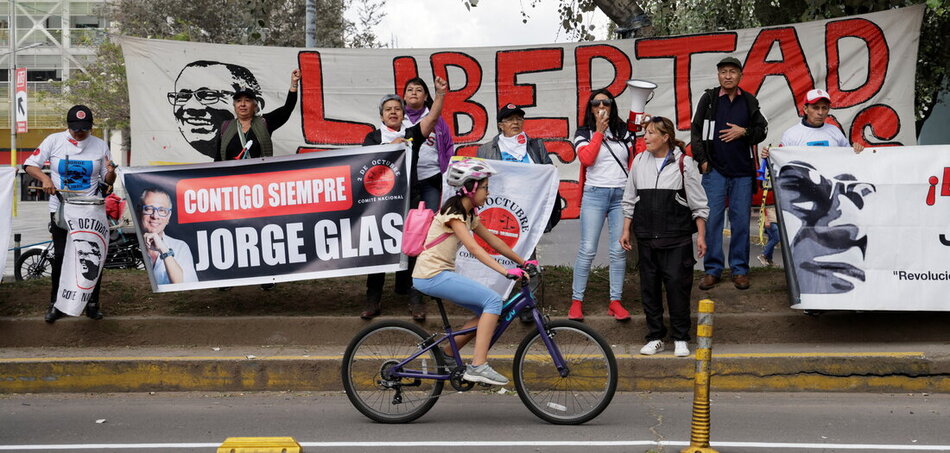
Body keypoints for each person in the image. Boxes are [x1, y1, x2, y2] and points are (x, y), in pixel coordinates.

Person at [411, 159, 534, 386]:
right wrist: (506, 272)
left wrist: (523, 261)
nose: (488, 193)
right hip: (431, 275)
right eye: (485, 187)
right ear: (471, 188)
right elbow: (474, 248)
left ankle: (448, 353)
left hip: (440, 274)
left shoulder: (469, 214)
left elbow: (493, 241)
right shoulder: (453, 212)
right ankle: (478, 365)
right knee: (493, 301)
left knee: (489, 314)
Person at [620, 116, 708, 357]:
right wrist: (626, 229)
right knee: (649, 289)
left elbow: (698, 203)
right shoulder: (639, 161)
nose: (645, 137)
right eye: (645, 133)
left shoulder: (684, 163)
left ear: (665, 137)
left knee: (678, 288)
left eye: (650, 133)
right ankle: (655, 336)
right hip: (646, 238)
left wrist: (701, 236)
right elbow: (630, 198)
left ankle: (680, 337)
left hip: (676, 238)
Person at [362, 77, 449, 320]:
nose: (393, 112)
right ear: (381, 116)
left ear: (403, 114)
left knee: (414, 249)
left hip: (410, 201)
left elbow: (432, 119)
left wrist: (440, 95)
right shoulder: (372, 137)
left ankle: (416, 299)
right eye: (388, 109)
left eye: (397, 109)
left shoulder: (412, 134)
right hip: (379, 206)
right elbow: (364, 164)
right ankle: (373, 299)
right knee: (379, 251)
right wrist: (391, 148)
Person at [23, 105, 116, 323]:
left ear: (90, 127)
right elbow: (29, 164)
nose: (79, 133)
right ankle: (57, 303)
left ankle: (92, 304)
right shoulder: (54, 141)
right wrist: (45, 179)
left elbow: (107, 180)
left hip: (90, 210)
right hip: (62, 210)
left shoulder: (100, 145)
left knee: (93, 255)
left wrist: (111, 172)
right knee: (62, 256)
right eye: (75, 129)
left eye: (84, 129)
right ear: (68, 125)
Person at [690, 56, 768, 291]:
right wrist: (702, 160)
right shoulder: (710, 99)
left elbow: (761, 130)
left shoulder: (749, 101)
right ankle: (712, 270)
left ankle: (739, 270)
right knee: (712, 221)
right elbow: (695, 131)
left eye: (732, 71)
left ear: (740, 76)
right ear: (718, 75)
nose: (727, 75)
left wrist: (743, 132)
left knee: (741, 223)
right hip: (714, 171)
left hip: (742, 172)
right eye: (723, 71)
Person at [477, 103, 557, 322]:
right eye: (510, 119)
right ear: (501, 125)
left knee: (527, 257)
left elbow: (548, 171)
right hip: (501, 211)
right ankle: (493, 300)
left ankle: (525, 305)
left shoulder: (535, 146)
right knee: (498, 253)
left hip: (528, 212)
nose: (516, 123)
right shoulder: (487, 149)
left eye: (519, 119)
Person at [569, 89, 635, 321]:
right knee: (587, 249)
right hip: (595, 194)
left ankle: (615, 301)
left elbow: (634, 157)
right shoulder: (583, 132)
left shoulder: (624, 130)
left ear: (612, 105)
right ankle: (577, 301)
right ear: (590, 108)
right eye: (596, 103)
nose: (601, 106)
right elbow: (587, 159)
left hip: (621, 195)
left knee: (618, 250)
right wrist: (598, 132)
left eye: (606, 102)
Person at [168, 61, 263, 159]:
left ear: (256, 105)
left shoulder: (264, 125)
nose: (192, 107)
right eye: (182, 96)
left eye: (209, 95)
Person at [213, 69, 301, 161]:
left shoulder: (265, 122)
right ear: (234, 105)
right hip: (231, 175)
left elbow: (288, 108)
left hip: (258, 174)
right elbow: (218, 159)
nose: (242, 104)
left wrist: (294, 84)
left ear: (255, 105)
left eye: (247, 100)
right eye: (238, 101)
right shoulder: (225, 127)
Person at [763, 88, 865, 155]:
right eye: (815, 108)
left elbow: (848, 157)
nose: (820, 112)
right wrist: (770, 154)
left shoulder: (835, 131)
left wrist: (856, 150)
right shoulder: (791, 134)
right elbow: (781, 163)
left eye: (824, 108)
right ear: (805, 109)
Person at [138, 188, 199, 285]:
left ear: (168, 217)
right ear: (139, 211)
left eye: (162, 210)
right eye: (149, 209)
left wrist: (164, 250)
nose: (155, 216)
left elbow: (186, 287)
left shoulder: (180, 247)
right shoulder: (129, 250)